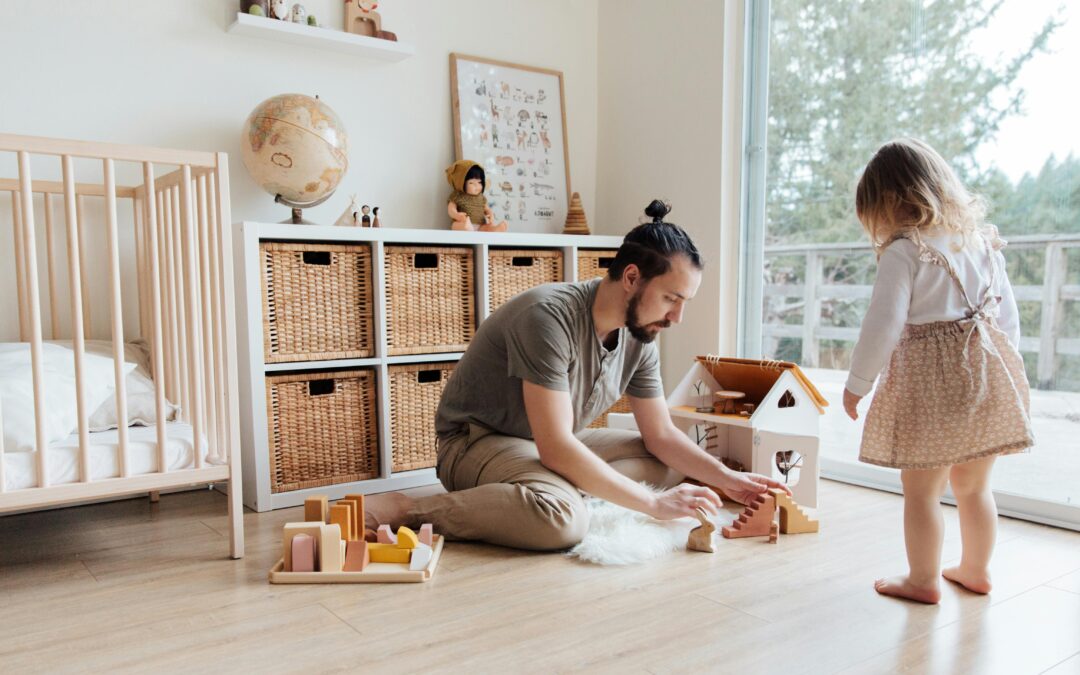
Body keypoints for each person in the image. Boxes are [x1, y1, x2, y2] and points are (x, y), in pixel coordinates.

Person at [367, 200, 788, 550]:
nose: (677, 317)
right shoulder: (547, 317)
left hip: (548, 441)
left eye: (685, 302)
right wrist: (653, 506)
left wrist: (732, 481)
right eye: (671, 299)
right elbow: (555, 448)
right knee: (564, 521)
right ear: (631, 277)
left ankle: (557, 491)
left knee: (666, 466)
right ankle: (413, 510)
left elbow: (660, 435)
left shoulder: (640, 335)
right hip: (477, 441)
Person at [843, 138, 1034, 603]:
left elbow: (882, 325)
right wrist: (1011, 372)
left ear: (887, 203)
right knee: (974, 486)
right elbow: (1008, 321)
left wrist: (857, 385)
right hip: (988, 373)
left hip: (932, 385)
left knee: (922, 490)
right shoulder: (982, 243)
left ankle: (923, 580)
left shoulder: (904, 251)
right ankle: (975, 569)